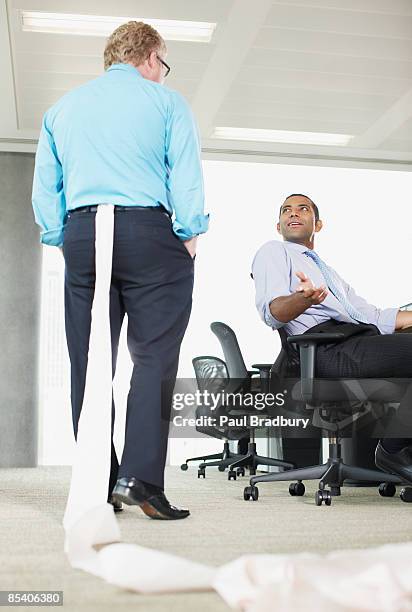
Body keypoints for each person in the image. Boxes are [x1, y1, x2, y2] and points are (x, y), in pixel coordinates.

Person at [32, 21, 209, 520]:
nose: (162, 72)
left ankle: (99, 483)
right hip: (149, 233)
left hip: (83, 234)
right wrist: (190, 235)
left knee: (90, 363)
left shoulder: (61, 109)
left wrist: (60, 237)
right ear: (151, 57)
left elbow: (47, 189)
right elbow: (187, 175)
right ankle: (141, 481)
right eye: (163, 63)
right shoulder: (167, 103)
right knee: (153, 359)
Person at [252, 193, 412, 484]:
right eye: (286, 210)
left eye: (303, 208)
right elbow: (274, 311)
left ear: (318, 224)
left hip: (354, 341)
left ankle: (397, 449)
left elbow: (373, 316)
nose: (293, 213)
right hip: (325, 349)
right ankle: (393, 450)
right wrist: (303, 300)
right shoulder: (273, 251)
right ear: (279, 226)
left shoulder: (330, 274)